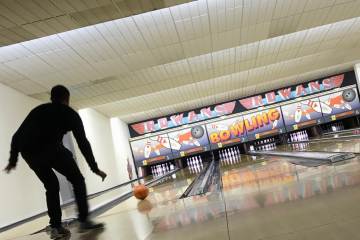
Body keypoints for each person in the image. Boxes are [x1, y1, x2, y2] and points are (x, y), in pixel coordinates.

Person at [3, 85, 107, 239]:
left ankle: (56, 227)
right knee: (77, 180)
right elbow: (82, 142)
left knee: (51, 185)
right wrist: (94, 168)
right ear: (67, 99)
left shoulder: (38, 110)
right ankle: (84, 221)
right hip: (51, 149)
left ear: (52, 97)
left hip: (30, 154)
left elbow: (16, 137)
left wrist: (13, 161)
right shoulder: (70, 114)